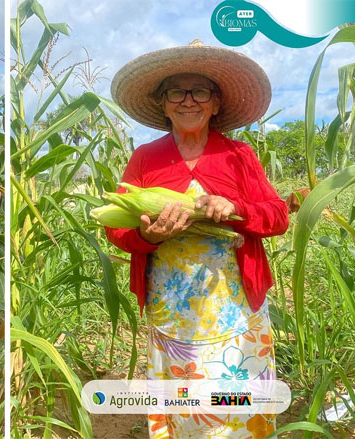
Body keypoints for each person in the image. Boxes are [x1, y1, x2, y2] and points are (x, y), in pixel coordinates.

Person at [106, 40, 289, 437]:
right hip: (173, 317)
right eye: (177, 91)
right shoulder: (145, 159)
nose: (188, 101)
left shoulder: (239, 156)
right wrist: (146, 235)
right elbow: (116, 229)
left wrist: (237, 207)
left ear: (216, 104)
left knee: (234, 410)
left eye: (200, 91)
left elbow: (277, 215)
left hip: (235, 313)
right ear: (164, 103)